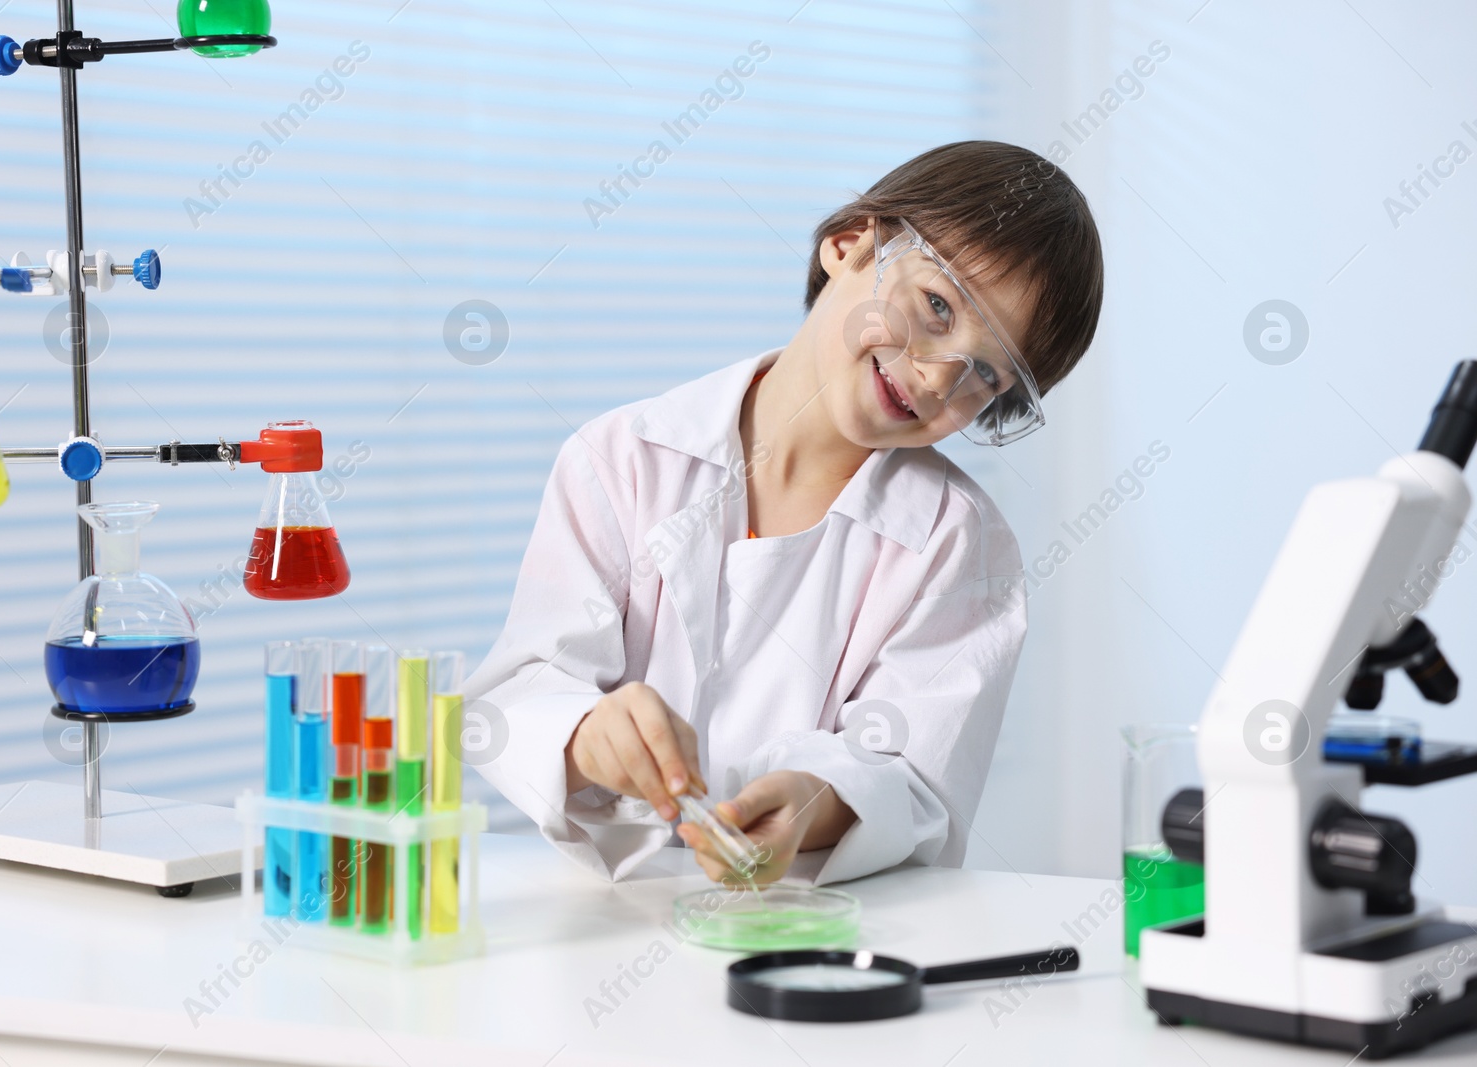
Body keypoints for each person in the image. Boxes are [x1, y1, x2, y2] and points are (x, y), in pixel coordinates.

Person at [467, 141, 1103, 885]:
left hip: (804, 930)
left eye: (986, 373)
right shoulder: (623, 459)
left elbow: (913, 772)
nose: (937, 376)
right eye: (936, 306)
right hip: (608, 918)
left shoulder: (957, 542)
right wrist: (587, 734)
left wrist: (813, 803)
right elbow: (520, 689)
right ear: (850, 243)